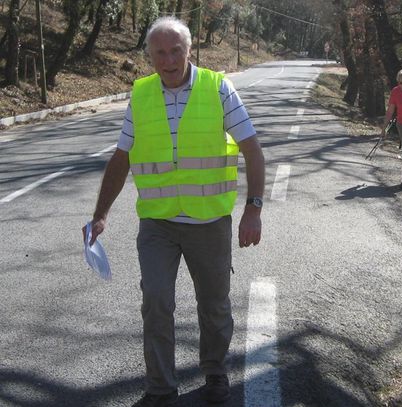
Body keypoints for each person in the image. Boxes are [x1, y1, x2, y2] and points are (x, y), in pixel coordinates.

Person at [82, 16, 265, 406]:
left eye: (175, 51)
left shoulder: (218, 88)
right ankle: (161, 389)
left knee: (214, 307)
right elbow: (121, 158)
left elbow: (251, 148)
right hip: (158, 223)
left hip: (209, 222)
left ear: (190, 49)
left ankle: (215, 373)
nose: (168, 60)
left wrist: (253, 208)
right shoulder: (142, 94)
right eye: (159, 53)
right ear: (149, 55)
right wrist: (100, 214)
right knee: (157, 302)